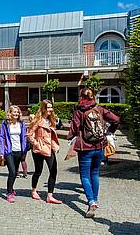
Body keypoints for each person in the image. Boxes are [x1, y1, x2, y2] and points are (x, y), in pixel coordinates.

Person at [67, 88, 120, 218]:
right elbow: (116, 119)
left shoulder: (79, 111)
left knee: (85, 176)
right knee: (95, 174)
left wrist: (71, 138)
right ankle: (95, 200)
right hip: (100, 146)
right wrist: (109, 132)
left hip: (85, 148)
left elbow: (73, 129)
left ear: (81, 97)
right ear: (93, 96)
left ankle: (91, 201)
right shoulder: (100, 109)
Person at [27, 99, 62, 204]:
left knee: (53, 170)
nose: (50, 109)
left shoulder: (52, 120)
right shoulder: (38, 120)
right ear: (43, 108)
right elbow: (29, 134)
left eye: (51, 107)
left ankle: (50, 196)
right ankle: (33, 190)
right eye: (48, 107)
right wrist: (36, 143)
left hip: (49, 149)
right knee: (38, 171)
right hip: (38, 149)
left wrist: (55, 145)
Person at [0, 105, 28, 203]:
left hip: (19, 151)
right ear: (10, 113)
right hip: (9, 151)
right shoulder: (5, 123)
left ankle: (11, 188)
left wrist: (25, 149)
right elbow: (1, 137)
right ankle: (9, 193)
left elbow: (24, 137)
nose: (16, 114)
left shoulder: (22, 123)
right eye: (14, 112)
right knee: (12, 172)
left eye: (17, 112)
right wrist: (2, 152)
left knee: (15, 172)